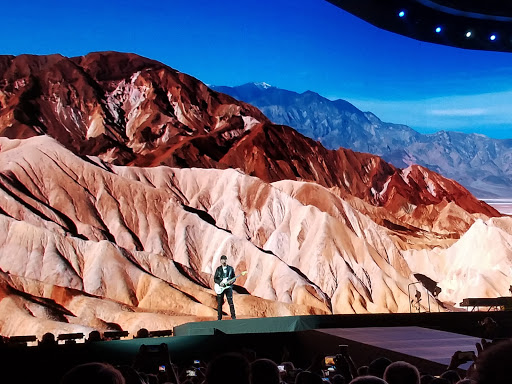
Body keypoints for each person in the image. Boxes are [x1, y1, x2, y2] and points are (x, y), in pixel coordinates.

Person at [214, 255, 236, 320]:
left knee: (230, 302)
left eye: (225, 259)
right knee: (220, 303)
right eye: (222, 260)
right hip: (220, 288)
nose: (224, 261)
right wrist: (220, 283)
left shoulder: (230, 269)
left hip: (228, 287)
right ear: (220, 261)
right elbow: (215, 279)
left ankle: (233, 317)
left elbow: (234, 278)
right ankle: (219, 318)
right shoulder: (218, 269)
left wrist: (231, 282)